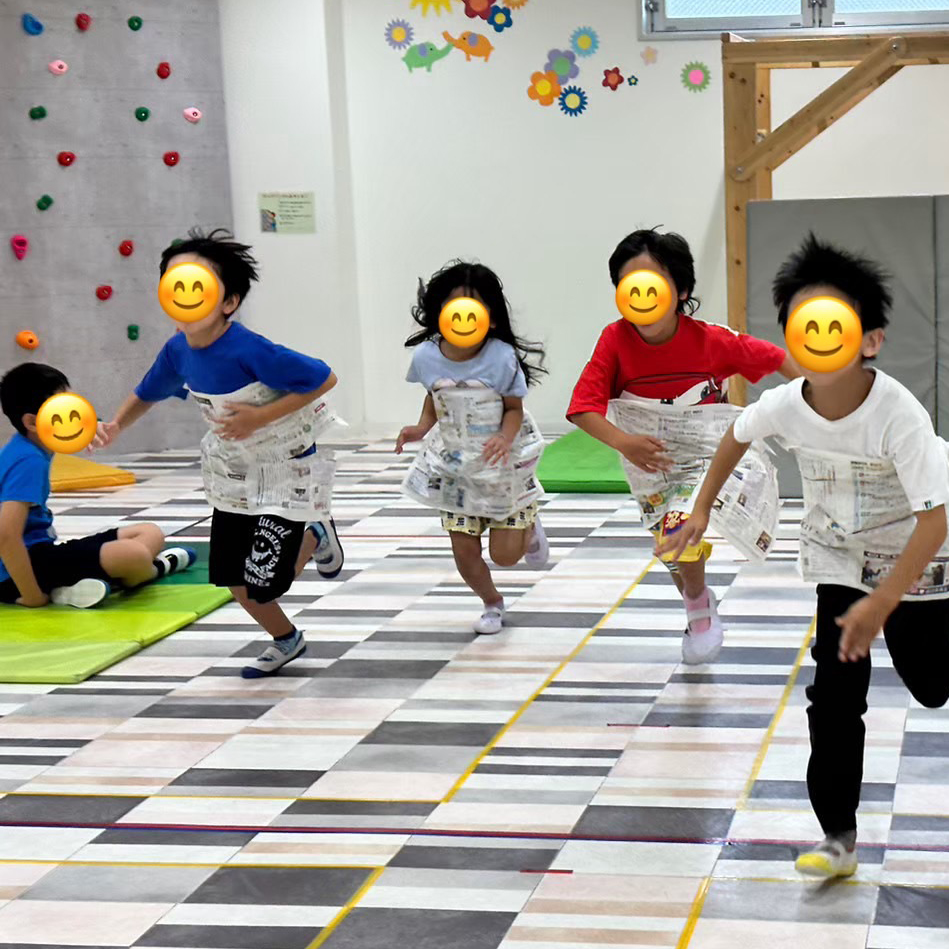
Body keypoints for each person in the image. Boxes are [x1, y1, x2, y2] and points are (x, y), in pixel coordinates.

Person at [664, 235, 949, 879]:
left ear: (870, 340)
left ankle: (929, 632)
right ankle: (839, 838)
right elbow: (735, 435)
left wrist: (883, 604)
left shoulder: (899, 416)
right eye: (804, 324)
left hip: (917, 557)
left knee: (932, 686)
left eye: (835, 323)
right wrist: (701, 510)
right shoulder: (786, 403)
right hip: (842, 556)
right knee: (833, 693)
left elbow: (934, 522)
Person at [94, 229, 344, 677]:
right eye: (174, 281)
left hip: (285, 467)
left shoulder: (250, 349)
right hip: (234, 471)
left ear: (228, 301)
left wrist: (259, 417)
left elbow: (324, 378)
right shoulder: (177, 351)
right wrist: (114, 425)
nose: (183, 290)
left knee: (267, 581)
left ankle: (315, 532)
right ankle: (286, 639)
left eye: (198, 282)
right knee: (233, 577)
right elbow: (148, 391)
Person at [567, 228, 801, 664]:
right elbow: (582, 408)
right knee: (674, 547)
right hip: (653, 463)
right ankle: (698, 601)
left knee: (679, 527)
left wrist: (820, 403)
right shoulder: (615, 341)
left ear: (681, 291)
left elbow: (775, 358)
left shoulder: (710, 340)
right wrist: (625, 443)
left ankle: (699, 613)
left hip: (712, 454)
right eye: (629, 285)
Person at [396, 261, 550, 635]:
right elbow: (434, 397)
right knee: (464, 550)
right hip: (457, 465)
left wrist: (504, 438)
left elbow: (513, 409)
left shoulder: (500, 357)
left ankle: (528, 523)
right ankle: (492, 603)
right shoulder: (426, 356)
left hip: (500, 460)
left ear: (491, 319)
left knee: (505, 556)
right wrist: (421, 427)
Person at [0, 362, 193, 609]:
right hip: (15, 573)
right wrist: (32, 596)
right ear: (32, 422)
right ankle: (157, 567)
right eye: (65, 412)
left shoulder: (28, 445)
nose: (76, 416)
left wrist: (92, 427)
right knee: (133, 555)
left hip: (42, 553)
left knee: (150, 532)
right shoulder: (28, 461)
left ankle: (77, 585)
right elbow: (6, 536)